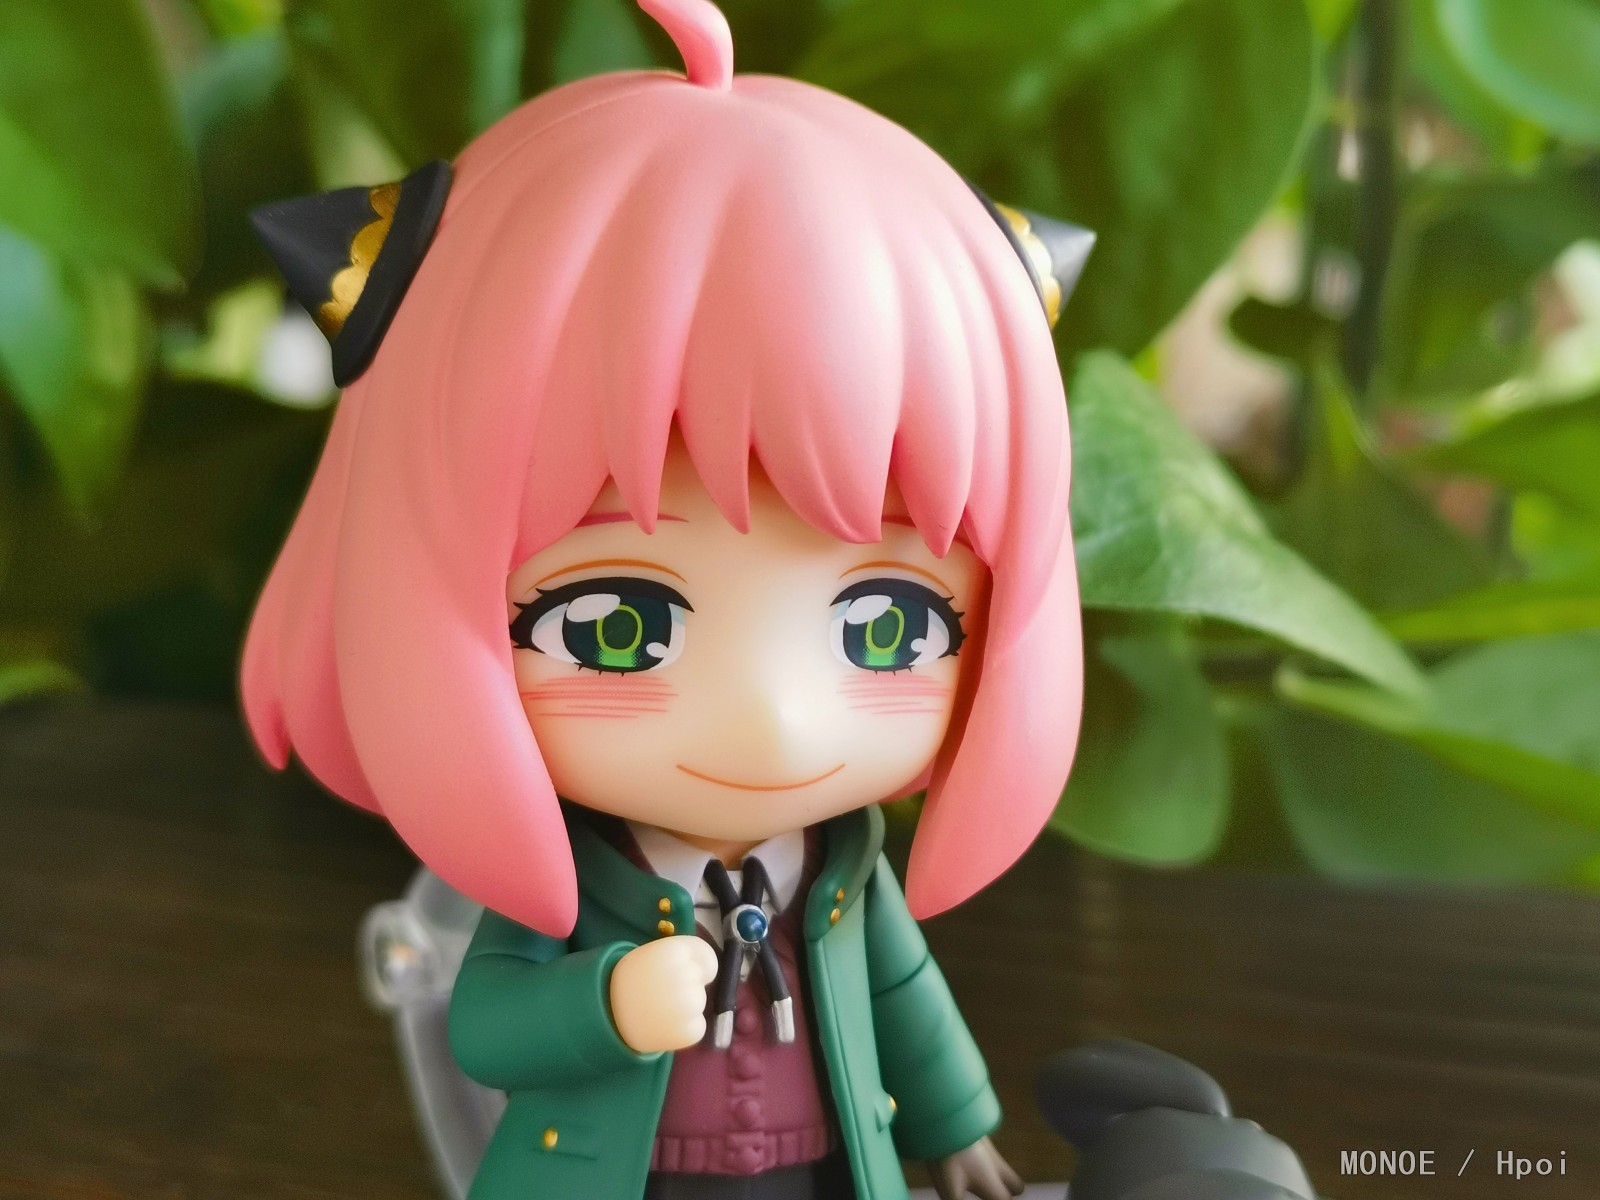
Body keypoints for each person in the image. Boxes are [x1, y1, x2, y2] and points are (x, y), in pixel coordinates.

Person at [240, 0, 1096, 1196]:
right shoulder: (573, 877)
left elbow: (906, 998)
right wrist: (605, 1005)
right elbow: (486, 1025)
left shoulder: (841, 863)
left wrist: (958, 1133)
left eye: (888, 625)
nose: (771, 720)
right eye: (614, 625)